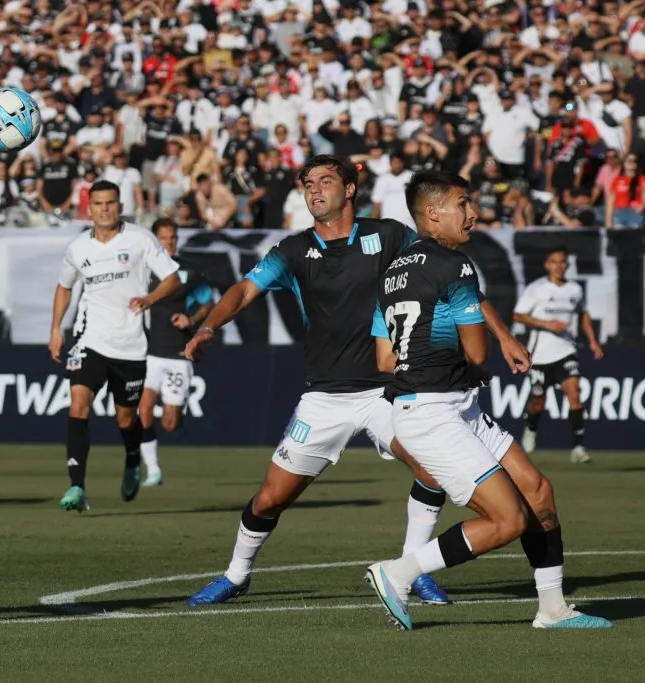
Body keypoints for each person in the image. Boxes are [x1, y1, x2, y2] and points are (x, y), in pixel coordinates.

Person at [183, 155, 530, 607]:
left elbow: (450, 280)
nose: (314, 190)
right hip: (324, 396)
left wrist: (502, 336)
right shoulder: (292, 250)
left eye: (325, 181)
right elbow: (245, 289)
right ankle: (236, 574)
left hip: (389, 390)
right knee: (271, 499)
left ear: (350, 189)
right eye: (308, 183)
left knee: (431, 469)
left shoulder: (388, 236)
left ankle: (412, 568)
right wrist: (209, 326)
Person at [365, 170, 611, 632]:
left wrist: (451, 355)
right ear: (433, 212)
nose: (473, 213)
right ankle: (398, 573)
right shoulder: (454, 265)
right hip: (434, 410)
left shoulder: (392, 274)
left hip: (451, 404)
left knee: (538, 492)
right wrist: (474, 357)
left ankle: (553, 608)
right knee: (507, 519)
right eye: (463, 203)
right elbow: (476, 352)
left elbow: (384, 358)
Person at [48, 180, 182, 512]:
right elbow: (64, 287)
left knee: (125, 419)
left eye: (110, 203)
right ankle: (77, 486)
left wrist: (150, 298)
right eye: (98, 204)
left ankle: (134, 458)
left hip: (131, 345)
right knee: (78, 405)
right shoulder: (78, 248)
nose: (104, 209)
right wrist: (55, 329)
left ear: (120, 207)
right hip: (90, 340)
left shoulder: (140, 239)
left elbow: (173, 278)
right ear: (88, 208)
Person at [138, 218, 214, 486]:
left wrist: (191, 320)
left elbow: (208, 303)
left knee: (169, 424)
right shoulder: (143, 270)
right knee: (143, 409)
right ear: (154, 240)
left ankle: (175, 417)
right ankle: (153, 469)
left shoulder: (189, 272)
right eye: (164, 238)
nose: (169, 242)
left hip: (178, 355)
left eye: (172, 237)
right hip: (149, 354)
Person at [514, 247, 604, 464]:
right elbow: (518, 316)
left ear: (567, 265)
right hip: (540, 356)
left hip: (566, 351)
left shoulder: (574, 290)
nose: (559, 266)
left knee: (574, 395)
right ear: (547, 264)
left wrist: (593, 341)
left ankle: (578, 448)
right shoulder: (537, 289)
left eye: (563, 262)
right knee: (538, 402)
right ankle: (531, 426)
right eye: (554, 261)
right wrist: (547, 324)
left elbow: (583, 314)